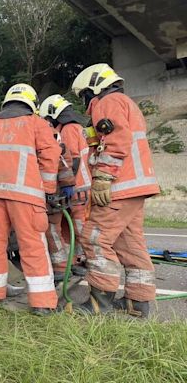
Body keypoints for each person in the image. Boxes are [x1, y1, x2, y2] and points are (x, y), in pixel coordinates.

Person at [0, 83, 62, 315]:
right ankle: (43, 303)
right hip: (25, 196)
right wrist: (47, 188)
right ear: (32, 104)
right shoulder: (36, 123)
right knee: (32, 245)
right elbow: (51, 153)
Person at [71, 64, 160, 317]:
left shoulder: (108, 103)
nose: (86, 102)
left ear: (94, 88)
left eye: (84, 96)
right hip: (136, 187)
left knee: (94, 238)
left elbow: (115, 141)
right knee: (130, 244)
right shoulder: (127, 103)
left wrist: (102, 177)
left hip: (119, 187)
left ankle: (100, 302)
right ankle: (137, 303)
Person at [39, 94, 91, 280]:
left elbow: (70, 160)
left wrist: (64, 185)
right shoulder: (78, 128)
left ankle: (83, 262)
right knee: (74, 228)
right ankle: (77, 260)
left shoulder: (67, 130)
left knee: (75, 228)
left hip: (76, 189)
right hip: (85, 187)